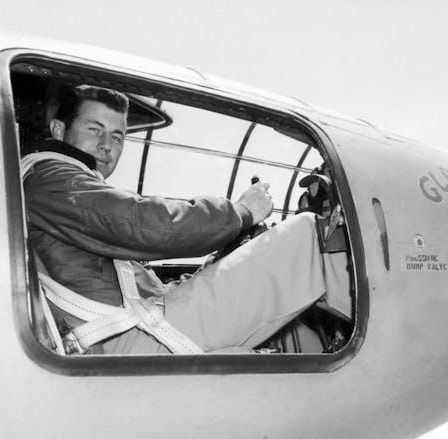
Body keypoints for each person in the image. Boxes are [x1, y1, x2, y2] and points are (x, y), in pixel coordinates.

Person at [23, 85, 351, 355]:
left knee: (292, 347)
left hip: (134, 327)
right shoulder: (48, 174)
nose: (107, 146)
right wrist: (241, 212)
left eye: (118, 136)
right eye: (94, 130)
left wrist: (220, 257)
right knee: (308, 235)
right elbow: (147, 224)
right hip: (136, 335)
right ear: (58, 130)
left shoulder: (67, 184)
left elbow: (131, 278)